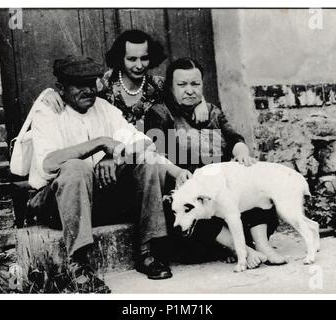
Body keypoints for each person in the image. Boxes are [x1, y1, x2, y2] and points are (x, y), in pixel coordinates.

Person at [27, 55, 192, 289]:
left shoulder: (104, 108)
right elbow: (48, 164)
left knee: (147, 163)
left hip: (97, 200)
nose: (88, 90)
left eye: (92, 82)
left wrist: (113, 157)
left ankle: (148, 251)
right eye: (79, 84)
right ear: (61, 88)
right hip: (55, 203)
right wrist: (101, 143)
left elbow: (146, 143)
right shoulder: (48, 111)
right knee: (76, 166)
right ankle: (78, 264)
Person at [145, 58, 287, 267]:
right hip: (186, 184)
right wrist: (177, 172)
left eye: (195, 84)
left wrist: (242, 153)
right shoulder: (159, 113)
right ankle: (243, 249)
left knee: (256, 187)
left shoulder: (212, 111)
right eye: (182, 85)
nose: (190, 91)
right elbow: (153, 154)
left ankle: (263, 245)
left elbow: (234, 139)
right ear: (170, 87)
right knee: (190, 212)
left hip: (221, 189)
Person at [40, 29, 209, 127]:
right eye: (131, 59)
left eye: (144, 58)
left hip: (153, 155)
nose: (139, 65)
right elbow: (73, 94)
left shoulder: (158, 84)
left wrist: (201, 102)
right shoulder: (103, 83)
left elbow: (186, 92)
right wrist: (49, 94)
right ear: (120, 58)